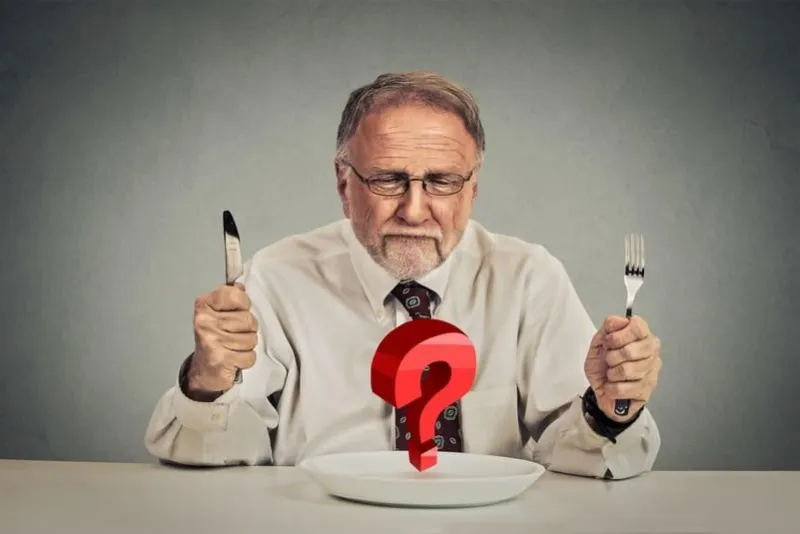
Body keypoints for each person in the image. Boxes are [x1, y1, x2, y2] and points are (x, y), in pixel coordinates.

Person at [144, 71, 662, 480]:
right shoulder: (279, 277)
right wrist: (208, 382)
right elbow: (216, 453)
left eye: (441, 181)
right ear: (344, 182)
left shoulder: (528, 278)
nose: (415, 211)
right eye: (390, 180)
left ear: (472, 189)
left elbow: (581, 453)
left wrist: (611, 408)